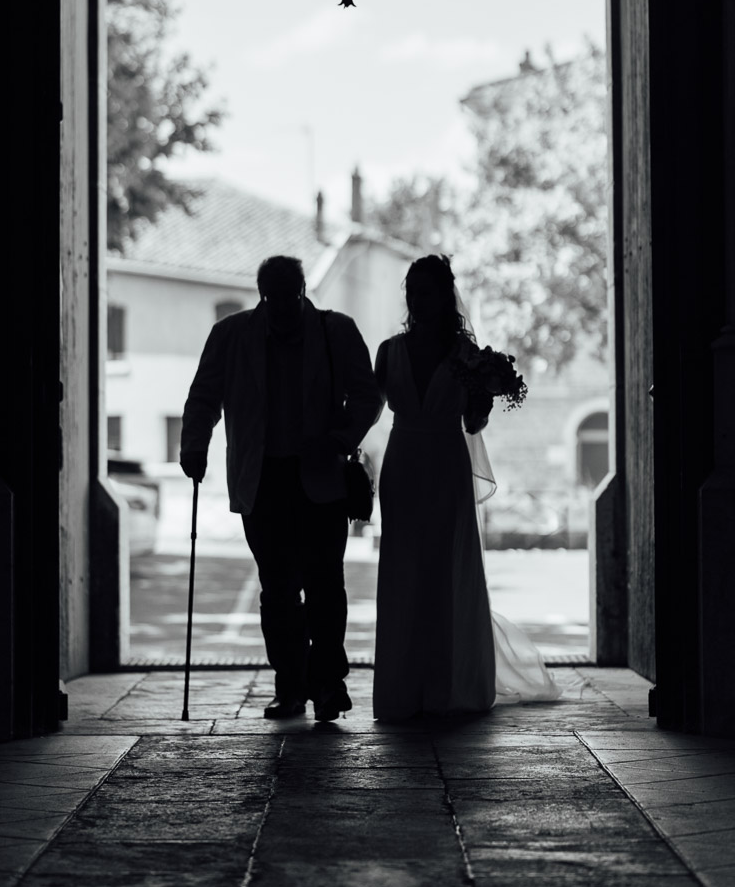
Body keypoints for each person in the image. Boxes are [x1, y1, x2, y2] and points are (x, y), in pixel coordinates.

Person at [180, 255, 382, 722]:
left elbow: (369, 395)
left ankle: (329, 684)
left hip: (321, 476)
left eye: (290, 299)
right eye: (273, 300)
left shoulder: (336, 331)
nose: (283, 310)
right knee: (278, 589)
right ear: (262, 295)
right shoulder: (232, 335)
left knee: (326, 585)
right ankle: (290, 686)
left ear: (303, 291)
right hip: (263, 478)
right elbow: (204, 396)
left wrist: (339, 438)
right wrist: (195, 446)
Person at [372, 254, 560, 721]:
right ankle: (403, 688)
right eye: (412, 290)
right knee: (403, 569)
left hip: (444, 462)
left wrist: (486, 394)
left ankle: (449, 684)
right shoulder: (388, 351)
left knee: (446, 568)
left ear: (445, 295)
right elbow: (368, 409)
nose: (418, 299)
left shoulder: (467, 357)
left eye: (426, 290)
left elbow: (472, 424)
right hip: (403, 464)